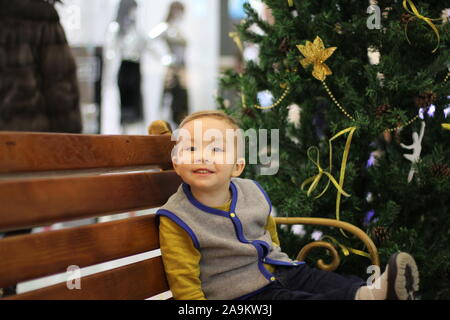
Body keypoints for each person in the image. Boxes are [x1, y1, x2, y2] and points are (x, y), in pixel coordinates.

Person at [156, 110, 420, 300]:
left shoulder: (250, 191)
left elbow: (268, 231)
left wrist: (278, 258)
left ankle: (371, 294)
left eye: (215, 150)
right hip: (241, 296)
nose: (202, 156)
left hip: (279, 269)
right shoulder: (177, 218)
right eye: (190, 149)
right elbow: (185, 284)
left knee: (320, 280)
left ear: (237, 166)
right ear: (177, 163)